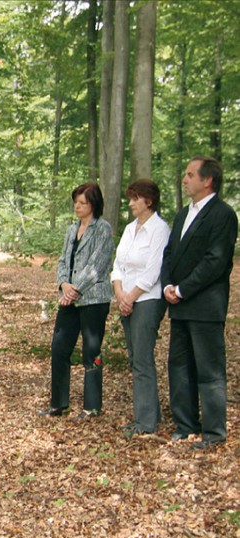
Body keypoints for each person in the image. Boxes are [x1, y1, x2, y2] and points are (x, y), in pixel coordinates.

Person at [162, 156, 237, 450]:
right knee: (179, 366)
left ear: (207, 180)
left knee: (209, 370)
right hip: (178, 304)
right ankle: (186, 424)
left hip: (205, 305)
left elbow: (215, 262)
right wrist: (168, 284)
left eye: (190, 174)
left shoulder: (223, 215)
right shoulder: (182, 214)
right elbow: (169, 253)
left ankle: (215, 432)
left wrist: (182, 289)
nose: (185, 179)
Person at [40, 183, 115, 420]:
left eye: (82, 202)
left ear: (93, 204)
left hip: (93, 300)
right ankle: (58, 403)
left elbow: (98, 265)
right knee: (59, 349)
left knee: (91, 351)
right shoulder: (72, 229)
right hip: (68, 299)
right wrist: (63, 285)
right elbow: (62, 261)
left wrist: (74, 290)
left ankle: (92, 406)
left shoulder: (102, 229)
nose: (77, 207)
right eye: (76, 202)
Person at [111, 180, 170, 436]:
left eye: (136, 198)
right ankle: (149, 414)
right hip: (127, 298)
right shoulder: (129, 229)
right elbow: (118, 265)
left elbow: (153, 270)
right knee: (135, 358)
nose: (131, 203)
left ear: (149, 200)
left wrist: (131, 296)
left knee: (143, 360)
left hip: (148, 299)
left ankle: (145, 423)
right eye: (130, 198)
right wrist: (120, 293)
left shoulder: (160, 229)